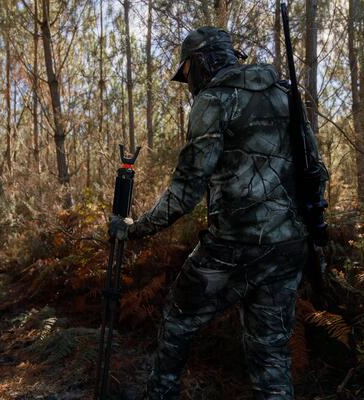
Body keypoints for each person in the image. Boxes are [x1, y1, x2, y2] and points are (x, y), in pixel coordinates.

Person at [108, 26, 328, 400]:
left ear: (203, 62)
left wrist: (134, 228)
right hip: (287, 248)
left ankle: (159, 394)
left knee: (178, 320)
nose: (188, 81)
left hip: (230, 250)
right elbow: (316, 172)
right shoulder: (285, 93)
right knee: (272, 356)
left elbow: (186, 190)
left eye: (188, 71)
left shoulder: (213, 101)